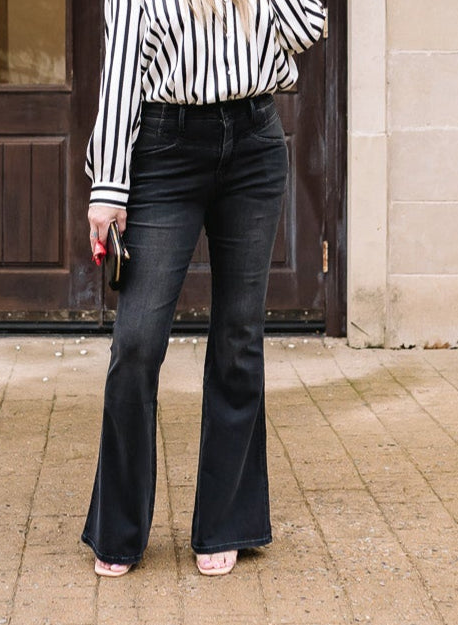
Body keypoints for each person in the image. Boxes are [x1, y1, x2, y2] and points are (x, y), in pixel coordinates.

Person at [83, 0, 326, 577]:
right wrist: (109, 188)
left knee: (239, 338)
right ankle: (119, 529)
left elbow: (306, 27)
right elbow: (121, 71)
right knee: (137, 342)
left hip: (254, 142)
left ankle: (227, 523)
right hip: (165, 147)